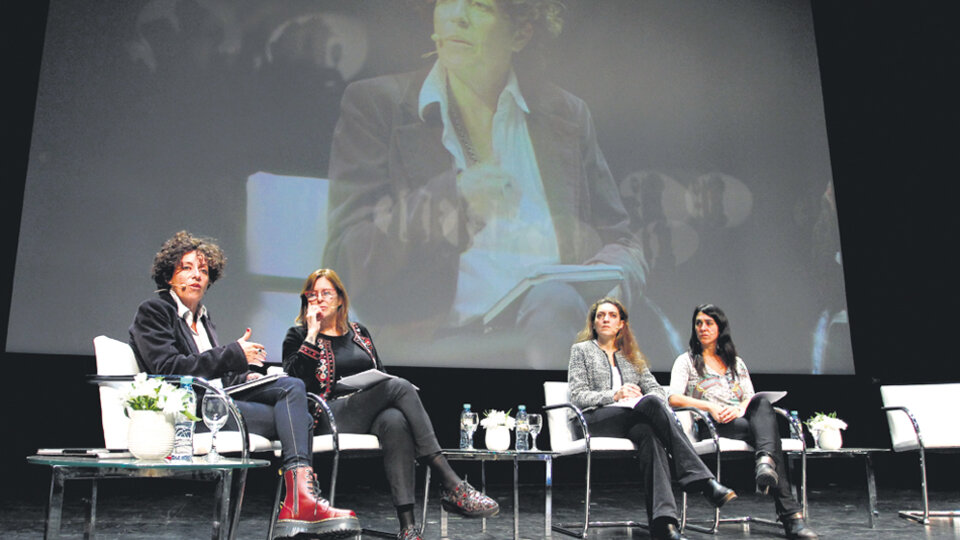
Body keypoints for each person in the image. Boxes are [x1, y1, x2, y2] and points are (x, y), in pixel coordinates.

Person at [324, 0, 647, 369]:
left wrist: (605, 286)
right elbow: (343, 262)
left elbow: (620, 241)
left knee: (555, 300)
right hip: (435, 348)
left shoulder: (567, 115)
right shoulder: (378, 106)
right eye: (445, 2)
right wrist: (452, 201)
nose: (457, 16)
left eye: (479, 5)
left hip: (556, 329)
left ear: (521, 31)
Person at [128, 231, 360, 539]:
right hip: (189, 413)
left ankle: (298, 502)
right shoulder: (156, 311)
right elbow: (168, 368)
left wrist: (246, 376)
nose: (197, 275)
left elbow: (216, 374)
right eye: (187, 267)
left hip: (216, 400)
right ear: (169, 274)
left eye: (204, 270)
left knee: (291, 390)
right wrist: (234, 354)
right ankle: (299, 502)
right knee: (297, 409)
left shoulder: (204, 319)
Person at [282, 268, 499, 540]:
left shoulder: (360, 333)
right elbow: (292, 382)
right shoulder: (298, 334)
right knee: (399, 387)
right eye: (314, 295)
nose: (321, 299)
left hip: (364, 411)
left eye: (327, 293)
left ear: (340, 299)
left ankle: (408, 527)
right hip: (325, 417)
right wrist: (312, 334)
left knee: (395, 420)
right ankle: (450, 481)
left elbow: (381, 375)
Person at [567, 297, 736, 540]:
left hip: (632, 419)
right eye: (600, 315)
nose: (605, 319)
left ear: (621, 324)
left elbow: (656, 390)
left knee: (650, 433)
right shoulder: (581, 350)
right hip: (594, 420)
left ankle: (664, 524)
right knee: (650, 407)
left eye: (612, 316)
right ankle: (702, 479)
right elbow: (579, 395)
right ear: (593, 323)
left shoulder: (630, 355)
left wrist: (639, 396)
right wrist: (616, 393)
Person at [667, 304, 818, 539]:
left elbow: (749, 397)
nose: (702, 328)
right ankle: (791, 515)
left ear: (720, 328)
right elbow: (673, 397)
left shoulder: (736, 362)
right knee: (770, 439)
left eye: (709, 323)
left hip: (741, 421)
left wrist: (738, 408)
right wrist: (712, 407)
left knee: (763, 404)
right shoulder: (686, 361)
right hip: (713, 425)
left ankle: (766, 462)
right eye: (698, 323)